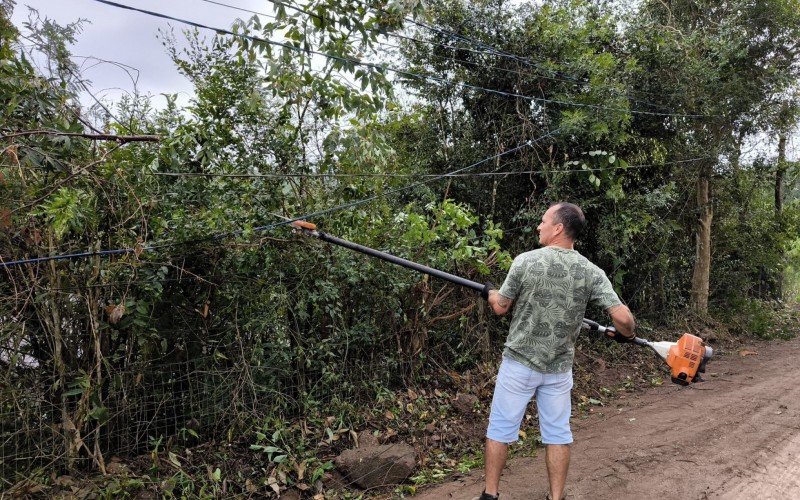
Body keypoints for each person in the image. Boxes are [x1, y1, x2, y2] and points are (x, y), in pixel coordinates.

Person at [476, 202, 635, 500]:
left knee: (500, 429)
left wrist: (490, 292)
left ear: (558, 227)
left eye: (543, 221)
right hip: (559, 370)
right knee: (557, 435)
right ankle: (556, 497)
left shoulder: (526, 261)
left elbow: (501, 306)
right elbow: (623, 319)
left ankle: (490, 495)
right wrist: (627, 334)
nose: (539, 226)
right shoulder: (591, 271)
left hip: (520, 363)